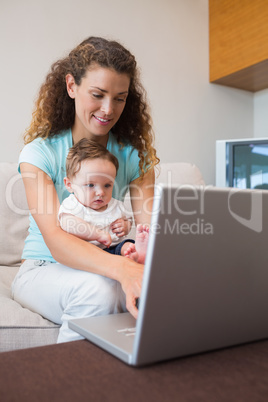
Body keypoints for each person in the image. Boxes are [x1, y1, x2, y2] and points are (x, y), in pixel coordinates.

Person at [12, 36, 159, 343]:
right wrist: (121, 270)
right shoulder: (39, 154)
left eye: (120, 98)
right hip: (44, 268)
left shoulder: (136, 157)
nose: (108, 109)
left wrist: (139, 257)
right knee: (98, 292)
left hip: (107, 263)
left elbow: (149, 230)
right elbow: (56, 240)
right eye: (98, 94)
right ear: (71, 86)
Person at [59, 137, 149, 263]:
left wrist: (125, 226)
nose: (101, 192)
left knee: (126, 244)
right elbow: (67, 223)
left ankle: (136, 253)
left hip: (112, 249)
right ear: (69, 185)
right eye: (90, 185)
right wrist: (97, 235)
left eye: (107, 185)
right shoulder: (72, 205)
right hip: (84, 252)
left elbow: (128, 220)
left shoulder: (116, 205)